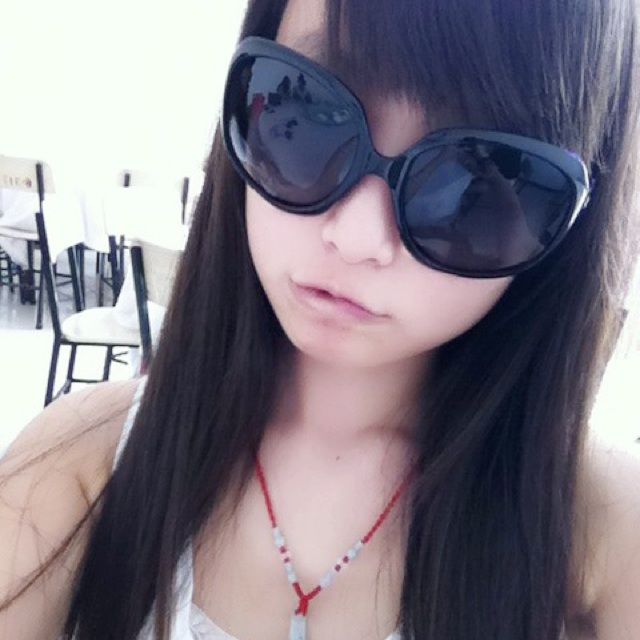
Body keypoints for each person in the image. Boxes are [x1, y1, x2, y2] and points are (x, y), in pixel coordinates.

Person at [1, 0, 640, 638]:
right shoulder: (81, 463)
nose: (358, 236)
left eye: (477, 178)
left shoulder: (602, 530)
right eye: (309, 113)